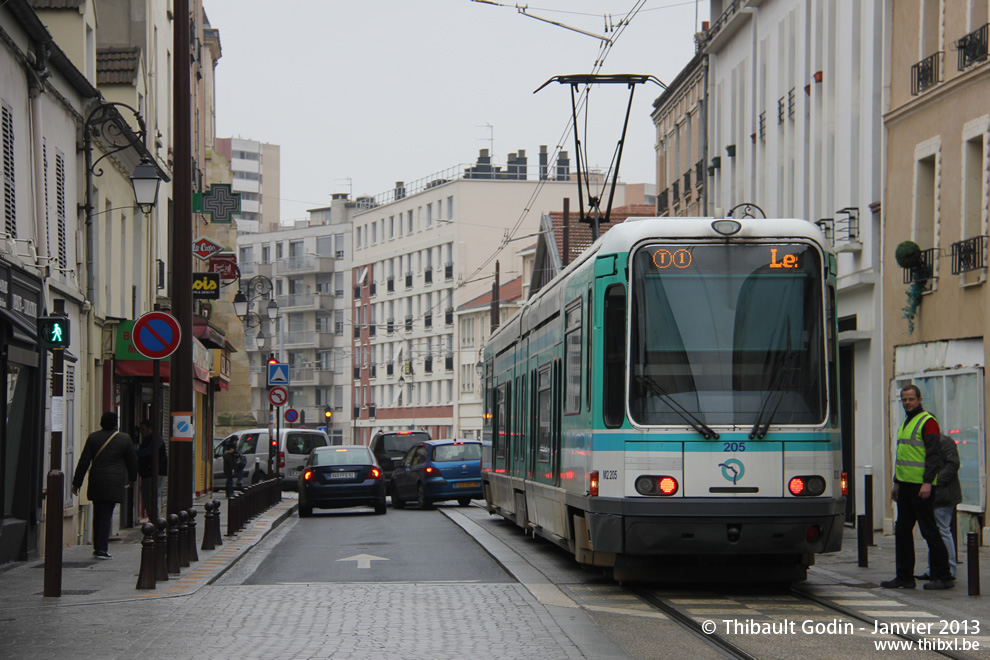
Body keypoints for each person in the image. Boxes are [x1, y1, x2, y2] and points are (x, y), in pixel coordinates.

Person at [881, 385, 953, 590]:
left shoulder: (927, 422)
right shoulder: (906, 423)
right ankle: (904, 577)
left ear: (919, 399)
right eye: (904, 399)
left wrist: (928, 482)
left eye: (911, 399)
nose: (907, 403)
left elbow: (934, 455)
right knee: (902, 531)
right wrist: (896, 483)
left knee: (929, 531)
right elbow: (903, 456)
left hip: (921, 487)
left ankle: (943, 576)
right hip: (905, 486)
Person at [72, 411, 138, 560]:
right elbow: (132, 462)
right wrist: (132, 479)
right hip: (114, 482)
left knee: (98, 512)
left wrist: (77, 483)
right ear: (116, 423)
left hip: (97, 480)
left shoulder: (93, 438)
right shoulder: (125, 439)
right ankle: (102, 548)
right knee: (106, 514)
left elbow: (84, 461)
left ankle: (98, 547)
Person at [918, 433, 962, 581]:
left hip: (944, 495)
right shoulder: (924, 443)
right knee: (934, 532)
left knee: (942, 530)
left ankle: (949, 569)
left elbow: (953, 464)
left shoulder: (944, 442)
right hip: (933, 495)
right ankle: (933, 569)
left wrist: (934, 482)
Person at [136, 419, 167, 520]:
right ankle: (153, 520)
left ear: (150, 429)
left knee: (153, 498)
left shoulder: (156, 439)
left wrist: (135, 452)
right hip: (147, 474)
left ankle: (156, 522)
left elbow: (148, 452)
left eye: (143, 429)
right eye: (140, 429)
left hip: (155, 474)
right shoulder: (147, 440)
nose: (141, 431)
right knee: (147, 499)